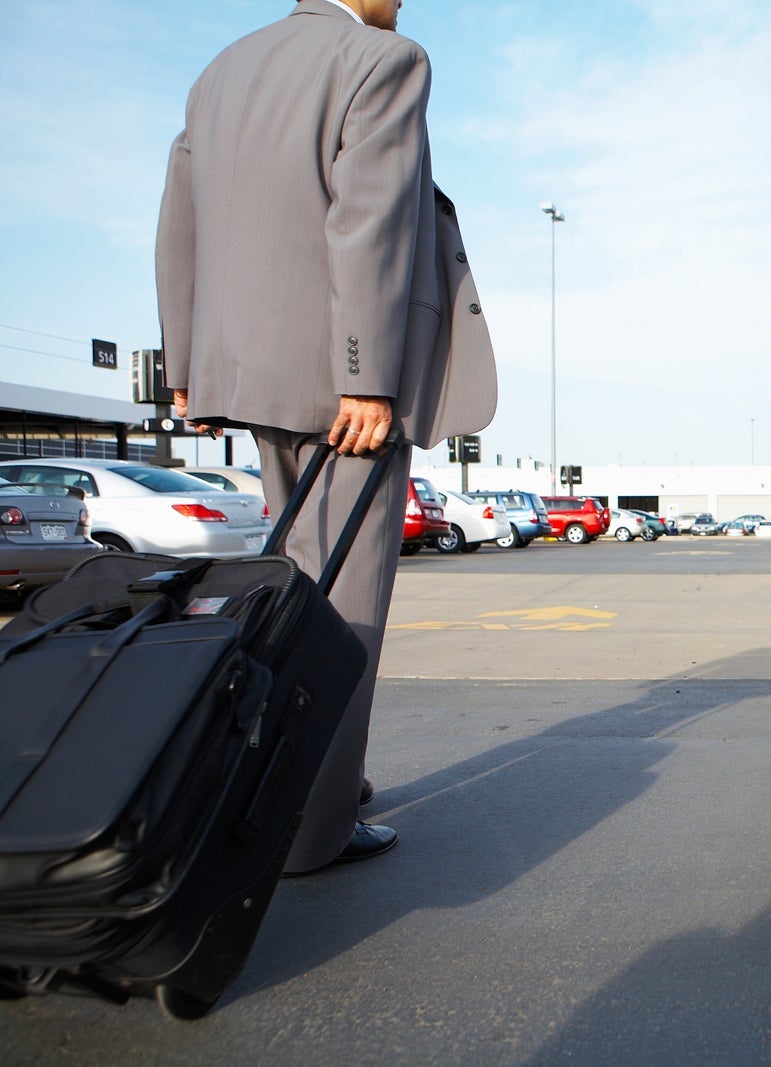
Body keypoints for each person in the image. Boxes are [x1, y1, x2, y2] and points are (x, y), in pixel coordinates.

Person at [156, 0, 496, 874]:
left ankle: (297, 771)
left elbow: (180, 224)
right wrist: (367, 373)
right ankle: (311, 824)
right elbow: (369, 219)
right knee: (344, 608)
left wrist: (186, 365)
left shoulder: (221, 70)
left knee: (291, 582)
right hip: (341, 387)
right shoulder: (381, 59)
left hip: (247, 373)